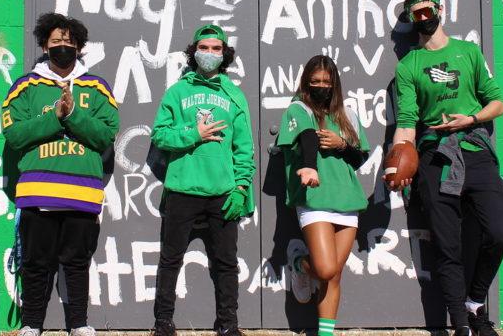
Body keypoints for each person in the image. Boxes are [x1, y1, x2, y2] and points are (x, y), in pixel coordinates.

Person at [386, 0, 503, 336]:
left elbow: (498, 103)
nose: (423, 18)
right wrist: (396, 160)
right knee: (447, 242)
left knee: (498, 231)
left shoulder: (468, 52)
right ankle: (461, 323)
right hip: (434, 157)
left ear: (440, 10)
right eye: (416, 14)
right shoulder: (408, 65)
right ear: (411, 19)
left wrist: (469, 120)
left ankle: (475, 301)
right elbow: (407, 122)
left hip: (474, 149)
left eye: (427, 10)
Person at [2, 13, 120, 336]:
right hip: (38, 193)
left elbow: (106, 135)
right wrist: (55, 117)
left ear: (80, 48)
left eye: (70, 43)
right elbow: (15, 135)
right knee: (36, 264)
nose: (63, 47)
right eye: (56, 42)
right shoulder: (25, 87)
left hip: (82, 195)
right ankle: (32, 324)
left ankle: (78, 324)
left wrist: (73, 115)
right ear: (44, 45)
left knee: (77, 264)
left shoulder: (97, 88)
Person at [150, 25, 256, 336]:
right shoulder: (177, 92)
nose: (209, 53)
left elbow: (244, 149)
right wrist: (193, 134)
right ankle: (163, 323)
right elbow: (159, 135)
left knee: (225, 262)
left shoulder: (234, 96)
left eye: (216, 48)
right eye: (204, 47)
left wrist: (240, 188)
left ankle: (228, 324)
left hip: (222, 193)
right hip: (182, 189)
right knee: (170, 259)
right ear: (194, 51)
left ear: (225, 54)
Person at [277, 55, 370, 336]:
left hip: (348, 199)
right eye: (315, 81)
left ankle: (325, 333)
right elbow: (307, 137)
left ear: (335, 84)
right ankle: (299, 264)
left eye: (326, 82)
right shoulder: (298, 108)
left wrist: (342, 145)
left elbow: (359, 157)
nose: (321, 86)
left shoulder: (347, 114)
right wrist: (309, 165)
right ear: (306, 82)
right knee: (325, 269)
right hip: (315, 198)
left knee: (335, 274)